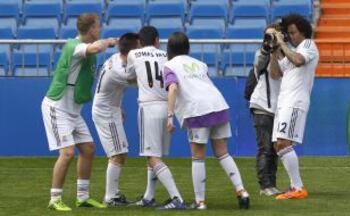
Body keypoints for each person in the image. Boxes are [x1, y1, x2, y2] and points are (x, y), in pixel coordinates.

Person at [165, 32, 250, 210]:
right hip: (218, 105)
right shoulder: (200, 64)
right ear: (187, 48)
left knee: (198, 157)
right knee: (223, 153)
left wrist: (170, 115)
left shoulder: (169, 66)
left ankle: (200, 201)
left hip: (197, 110)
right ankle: (241, 191)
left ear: (169, 49)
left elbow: (172, 88)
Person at [41, 13, 117, 211]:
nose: (100, 29)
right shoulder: (75, 47)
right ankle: (55, 198)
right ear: (91, 29)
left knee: (88, 148)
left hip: (73, 111)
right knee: (67, 153)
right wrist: (108, 42)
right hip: (56, 108)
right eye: (98, 27)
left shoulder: (82, 47)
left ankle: (82, 197)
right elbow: (95, 48)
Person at [126, 26, 185, 210]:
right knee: (153, 155)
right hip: (167, 105)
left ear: (139, 42)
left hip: (148, 106)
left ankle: (177, 198)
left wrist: (142, 82)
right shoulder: (166, 56)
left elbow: (128, 77)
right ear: (157, 40)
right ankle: (149, 196)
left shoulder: (134, 54)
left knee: (152, 156)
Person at [270, 13, 319, 200]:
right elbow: (275, 73)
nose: (291, 36)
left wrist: (282, 44)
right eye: (288, 33)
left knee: (283, 142)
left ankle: (298, 187)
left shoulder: (307, 46)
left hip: (295, 101)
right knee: (279, 145)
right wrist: (275, 50)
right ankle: (294, 187)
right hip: (284, 102)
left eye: (293, 32)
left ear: (303, 32)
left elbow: (298, 61)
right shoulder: (291, 51)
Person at [91, 33, 140, 207]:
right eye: (140, 47)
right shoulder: (120, 69)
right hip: (106, 113)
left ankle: (113, 194)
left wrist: (118, 106)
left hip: (109, 109)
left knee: (119, 153)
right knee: (118, 154)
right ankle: (110, 197)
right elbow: (140, 81)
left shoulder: (117, 58)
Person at [249, 24, 282, 196]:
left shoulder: (285, 54)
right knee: (265, 148)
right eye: (268, 36)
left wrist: (278, 50)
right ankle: (264, 185)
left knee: (275, 148)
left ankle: (272, 183)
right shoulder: (261, 53)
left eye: (274, 36)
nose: (271, 39)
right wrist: (267, 49)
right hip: (262, 106)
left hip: (277, 108)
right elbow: (262, 66)